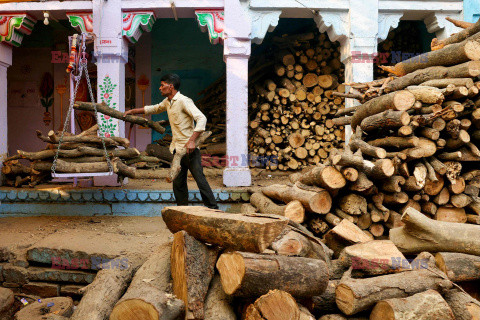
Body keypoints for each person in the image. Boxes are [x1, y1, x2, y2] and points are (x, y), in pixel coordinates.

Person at [124, 73, 219, 209]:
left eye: (162, 85)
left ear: (171, 86)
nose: (160, 88)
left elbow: (202, 118)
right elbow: (154, 108)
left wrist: (192, 141)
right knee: (178, 185)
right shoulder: (168, 102)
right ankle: (182, 211)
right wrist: (133, 111)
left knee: (200, 180)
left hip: (190, 150)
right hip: (176, 150)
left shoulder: (184, 101)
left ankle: (214, 210)